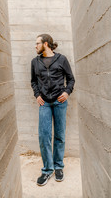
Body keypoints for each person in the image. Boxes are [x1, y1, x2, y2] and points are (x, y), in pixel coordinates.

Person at [31, 34, 75, 186]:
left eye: (37, 43)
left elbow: (71, 79)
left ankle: (58, 167)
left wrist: (67, 92)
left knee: (60, 135)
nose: (35, 46)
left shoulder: (61, 59)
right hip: (44, 103)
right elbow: (33, 81)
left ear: (46, 44)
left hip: (59, 101)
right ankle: (47, 170)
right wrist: (37, 95)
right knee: (44, 136)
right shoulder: (35, 62)